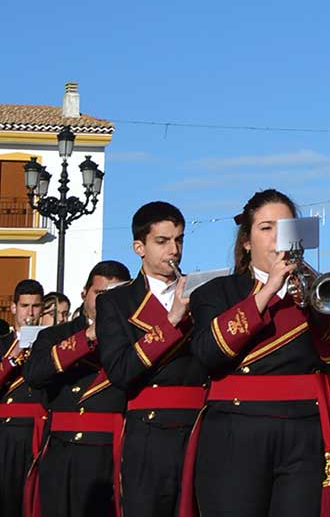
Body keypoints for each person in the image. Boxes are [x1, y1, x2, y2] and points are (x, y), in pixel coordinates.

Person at [185, 189, 330, 517]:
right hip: (237, 429)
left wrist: (320, 310)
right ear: (246, 242)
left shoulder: (315, 291)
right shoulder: (217, 291)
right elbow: (207, 353)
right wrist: (269, 291)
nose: (278, 236)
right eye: (266, 228)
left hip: (305, 431)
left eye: (286, 226)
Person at [96, 202, 207, 517]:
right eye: (162, 241)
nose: (174, 250)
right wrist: (170, 322)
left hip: (202, 425)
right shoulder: (115, 303)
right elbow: (120, 371)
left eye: (179, 240)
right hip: (148, 432)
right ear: (138, 247)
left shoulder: (203, 294)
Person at [24, 260, 132, 517]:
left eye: (113, 295)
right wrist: (87, 338)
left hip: (111, 449)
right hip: (63, 450)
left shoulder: (133, 336)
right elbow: (34, 375)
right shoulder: (55, 336)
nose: (105, 301)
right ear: (84, 293)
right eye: (99, 294)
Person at [0, 279, 45, 517]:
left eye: (36, 306)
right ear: (15, 307)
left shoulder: (49, 344)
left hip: (38, 430)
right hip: (6, 433)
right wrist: (12, 357)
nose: (30, 312)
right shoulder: (3, 345)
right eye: (25, 306)